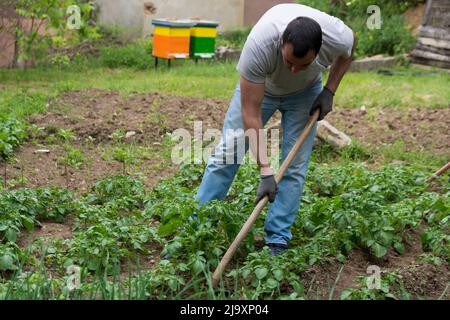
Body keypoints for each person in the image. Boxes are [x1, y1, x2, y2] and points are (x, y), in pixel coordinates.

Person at [195, 3, 356, 256]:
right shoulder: (259, 44)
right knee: (228, 154)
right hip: (262, 89)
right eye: (289, 61)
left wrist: (329, 90)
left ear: (319, 50)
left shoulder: (337, 37)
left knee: (294, 167)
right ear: (282, 43)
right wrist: (265, 171)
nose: (293, 70)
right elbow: (251, 114)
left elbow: (350, 49)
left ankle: (277, 240)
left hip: (305, 94)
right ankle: (197, 227)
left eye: (302, 65)